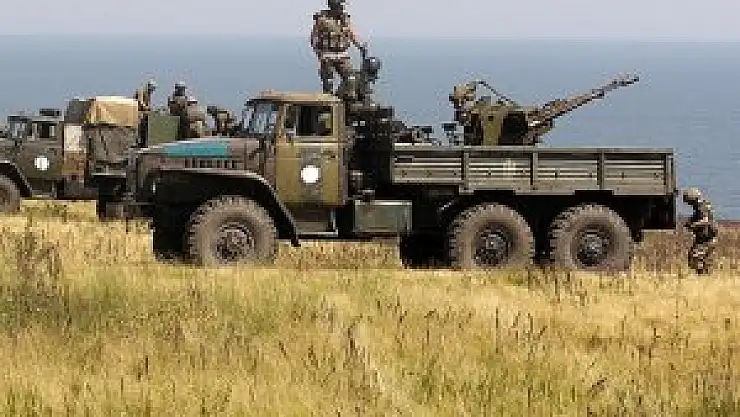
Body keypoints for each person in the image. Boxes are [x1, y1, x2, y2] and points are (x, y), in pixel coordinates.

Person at [310, 0, 367, 98]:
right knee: (328, 80)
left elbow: (351, 34)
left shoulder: (344, 19)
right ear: (334, 5)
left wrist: (360, 45)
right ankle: (328, 99)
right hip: (327, 54)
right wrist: (318, 53)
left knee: (351, 77)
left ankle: (349, 98)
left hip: (342, 54)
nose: (343, 7)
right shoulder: (322, 19)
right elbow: (314, 36)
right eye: (341, 5)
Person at [683, 187, 719, 275]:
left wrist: (693, 225)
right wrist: (690, 221)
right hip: (704, 238)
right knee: (698, 259)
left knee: (695, 258)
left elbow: (706, 220)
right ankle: (704, 276)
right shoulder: (701, 206)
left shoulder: (702, 207)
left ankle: (703, 275)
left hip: (706, 239)